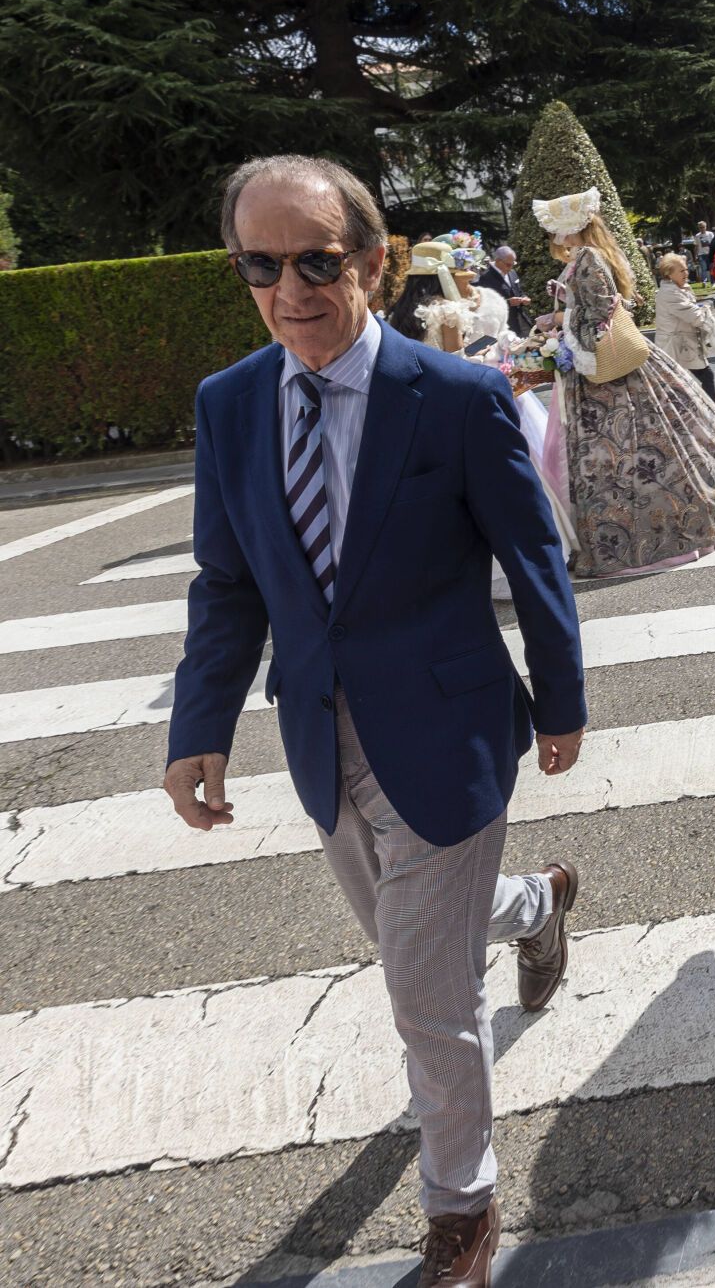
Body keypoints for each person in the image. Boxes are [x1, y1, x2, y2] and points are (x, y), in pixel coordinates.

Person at [168, 155, 588, 1288]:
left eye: (314, 258)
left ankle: (464, 1205)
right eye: (261, 264)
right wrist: (195, 723)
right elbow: (228, 584)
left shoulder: (453, 397)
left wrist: (562, 696)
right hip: (320, 738)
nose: (289, 286)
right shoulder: (231, 402)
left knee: (422, 996)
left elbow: (530, 552)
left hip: (448, 731)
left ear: (371, 260)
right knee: (426, 947)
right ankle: (539, 904)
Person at [537, 187, 715, 576]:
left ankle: (649, 528)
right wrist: (565, 302)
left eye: (557, 228)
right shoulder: (591, 255)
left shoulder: (588, 257)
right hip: (609, 366)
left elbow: (602, 311)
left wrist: (558, 321)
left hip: (609, 371)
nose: (554, 236)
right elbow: (605, 303)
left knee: (621, 450)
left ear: (571, 226)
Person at [654, 251, 715, 403]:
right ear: (669, 274)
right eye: (681, 270)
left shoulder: (679, 288)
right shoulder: (669, 293)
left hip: (684, 343)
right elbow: (695, 317)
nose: (686, 273)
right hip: (676, 346)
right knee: (701, 377)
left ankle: (712, 414)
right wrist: (704, 311)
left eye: (686, 269)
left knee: (690, 381)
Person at [475, 244, 535, 336]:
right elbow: (484, 303)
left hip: (520, 319)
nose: (510, 268)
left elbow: (519, 291)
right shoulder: (485, 277)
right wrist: (508, 302)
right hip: (503, 324)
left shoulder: (512, 273)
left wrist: (524, 298)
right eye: (508, 265)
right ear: (498, 261)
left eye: (513, 264)